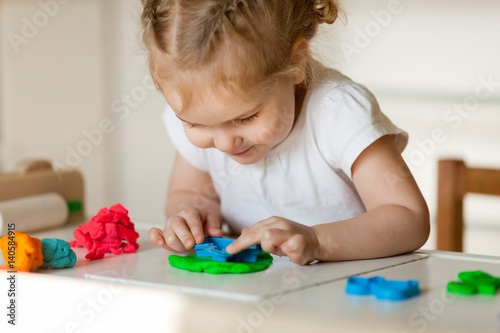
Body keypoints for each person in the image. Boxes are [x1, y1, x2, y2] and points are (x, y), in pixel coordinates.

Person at [141, 0, 430, 265]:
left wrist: (317, 241)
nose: (225, 142)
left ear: (295, 64)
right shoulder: (200, 107)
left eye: (246, 117)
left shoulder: (337, 112)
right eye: (196, 124)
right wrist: (191, 218)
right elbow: (187, 192)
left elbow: (409, 218)